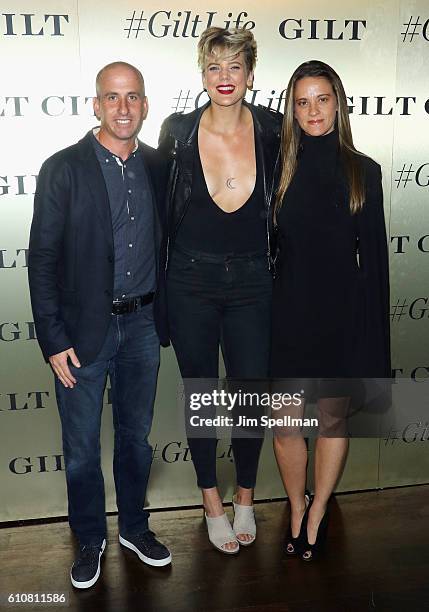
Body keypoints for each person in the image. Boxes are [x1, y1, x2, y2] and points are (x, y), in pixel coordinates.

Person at [28, 61, 171, 589]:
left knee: (136, 440)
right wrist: (53, 338)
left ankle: (134, 527)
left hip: (141, 328)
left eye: (132, 97)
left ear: (145, 104)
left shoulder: (158, 166)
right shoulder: (62, 168)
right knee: (83, 448)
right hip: (82, 334)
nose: (123, 108)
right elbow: (41, 258)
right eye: (112, 97)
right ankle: (90, 537)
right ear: (95, 104)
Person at [158, 27, 281, 554]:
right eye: (214, 67)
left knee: (250, 394)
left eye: (235, 66)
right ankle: (211, 500)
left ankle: (246, 498)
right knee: (203, 393)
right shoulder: (178, 130)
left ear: (251, 75)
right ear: (202, 75)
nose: (224, 77)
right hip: (191, 278)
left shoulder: (276, 130)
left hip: (255, 279)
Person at [270, 60, 390, 561]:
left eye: (322, 99)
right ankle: (296, 506)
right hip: (287, 317)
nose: (313, 110)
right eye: (302, 101)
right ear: (292, 110)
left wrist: (373, 350)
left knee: (332, 422)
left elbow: (377, 269)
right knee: (284, 425)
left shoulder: (365, 172)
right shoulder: (276, 169)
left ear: (338, 103)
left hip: (342, 318)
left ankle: (318, 511)